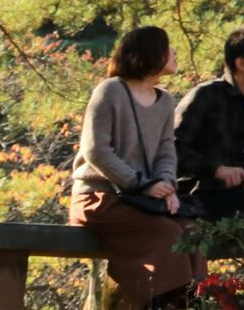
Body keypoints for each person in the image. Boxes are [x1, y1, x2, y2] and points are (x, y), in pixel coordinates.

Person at [70, 25, 204, 309]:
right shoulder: (110, 91)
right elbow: (96, 150)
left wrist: (166, 186)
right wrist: (142, 183)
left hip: (144, 199)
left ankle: (198, 302)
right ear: (150, 52)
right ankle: (162, 304)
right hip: (100, 198)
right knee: (167, 234)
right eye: (168, 47)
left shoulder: (165, 100)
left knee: (193, 229)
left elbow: (167, 150)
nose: (175, 53)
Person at [174, 27, 244, 219]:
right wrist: (216, 169)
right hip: (197, 197)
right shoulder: (205, 96)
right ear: (241, 63)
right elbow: (174, 148)